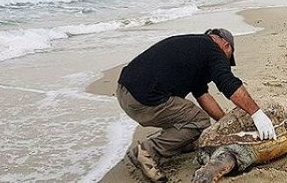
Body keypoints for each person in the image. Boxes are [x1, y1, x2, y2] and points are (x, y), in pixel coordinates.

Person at [116, 28, 277, 182]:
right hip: (143, 99)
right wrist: (257, 114)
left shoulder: (196, 48)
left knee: (188, 114)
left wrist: (226, 122)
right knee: (200, 121)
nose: (225, 61)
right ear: (226, 45)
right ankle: (149, 151)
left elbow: (203, 95)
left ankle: (177, 142)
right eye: (228, 58)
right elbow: (229, 84)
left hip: (125, 91)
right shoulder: (214, 51)